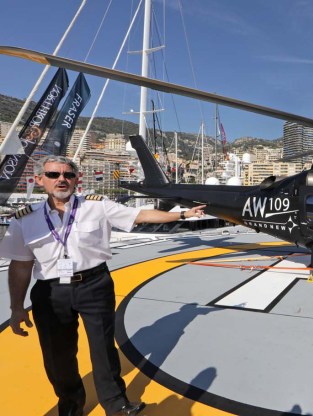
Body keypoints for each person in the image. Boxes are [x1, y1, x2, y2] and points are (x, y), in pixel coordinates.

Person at [0, 156, 207, 416]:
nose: (61, 179)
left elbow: (141, 215)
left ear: (77, 179)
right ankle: (70, 404)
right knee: (57, 355)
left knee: (103, 348)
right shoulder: (25, 219)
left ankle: (116, 404)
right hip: (50, 292)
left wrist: (183, 213)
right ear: (40, 180)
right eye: (53, 175)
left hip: (94, 285)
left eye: (67, 174)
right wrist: (17, 307)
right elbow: (20, 265)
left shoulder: (97, 206)